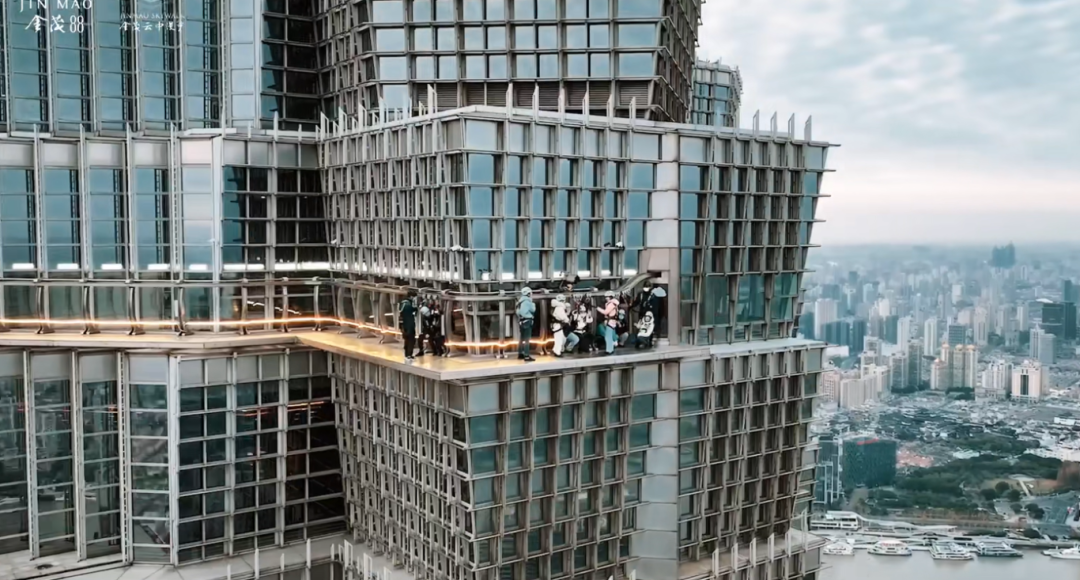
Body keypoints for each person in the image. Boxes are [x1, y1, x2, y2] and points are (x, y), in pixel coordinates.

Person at [596, 291, 620, 355]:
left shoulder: (611, 304)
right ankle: (612, 346)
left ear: (610, 297)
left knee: (608, 336)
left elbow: (606, 312)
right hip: (611, 321)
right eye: (606, 297)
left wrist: (598, 308)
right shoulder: (611, 303)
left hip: (610, 321)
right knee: (611, 335)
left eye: (607, 297)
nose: (606, 298)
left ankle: (609, 350)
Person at [516, 287, 536, 362]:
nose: (531, 294)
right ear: (528, 293)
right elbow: (533, 310)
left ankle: (520, 353)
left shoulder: (520, 302)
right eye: (530, 293)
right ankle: (526, 355)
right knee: (527, 339)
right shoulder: (528, 302)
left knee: (522, 339)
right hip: (527, 321)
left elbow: (518, 312)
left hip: (521, 321)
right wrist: (533, 304)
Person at [399, 289, 418, 361]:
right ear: (411, 296)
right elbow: (412, 311)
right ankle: (409, 354)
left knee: (407, 340)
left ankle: (407, 354)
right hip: (409, 325)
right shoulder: (407, 304)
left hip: (405, 325)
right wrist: (415, 309)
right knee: (410, 340)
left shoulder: (403, 303)